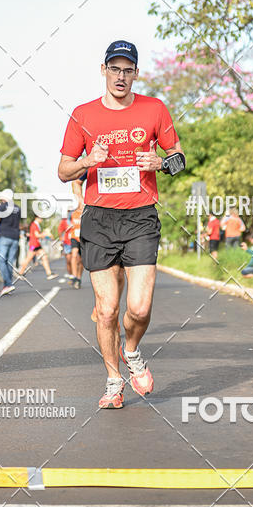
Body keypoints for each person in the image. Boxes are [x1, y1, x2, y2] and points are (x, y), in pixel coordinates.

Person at [58, 39, 185, 409]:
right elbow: (63, 170)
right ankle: (114, 380)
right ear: (103, 71)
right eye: (114, 69)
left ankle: (131, 351)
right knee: (108, 309)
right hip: (99, 218)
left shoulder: (154, 108)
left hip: (141, 215)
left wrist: (160, 164)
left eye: (128, 70)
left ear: (136, 74)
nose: (121, 76)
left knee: (140, 308)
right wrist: (87, 162)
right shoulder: (83, 114)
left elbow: (179, 158)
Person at [0, 189, 21, 296]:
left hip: (4, 235)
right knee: (9, 261)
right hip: (15, 236)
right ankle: (7, 285)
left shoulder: (3, 206)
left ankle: (8, 284)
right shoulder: (18, 208)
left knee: (0, 260)